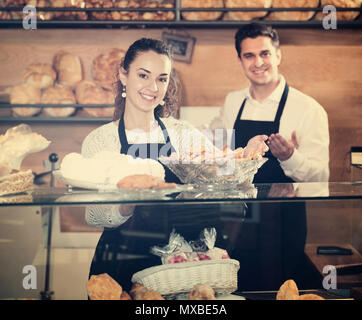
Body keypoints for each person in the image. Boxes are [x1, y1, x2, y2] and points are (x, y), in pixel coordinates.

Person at [82, 38, 268, 292]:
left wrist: (246, 156)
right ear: (123, 76)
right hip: (121, 261)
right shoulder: (101, 139)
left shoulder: (184, 134)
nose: (153, 87)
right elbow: (93, 215)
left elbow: (227, 182)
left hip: (175, 264)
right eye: (143, 75)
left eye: (161, 78)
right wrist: (128, 202)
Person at [209, 23, 330, 290]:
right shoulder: (232, 102)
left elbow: (322, 177)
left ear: (278, 55)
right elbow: (221, 153)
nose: (258, 62)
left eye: (264, 53)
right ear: (240, 60)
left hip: (283, 225)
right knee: (236, 289)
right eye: (249, 55)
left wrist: (290, 157)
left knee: (277, 290)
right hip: (236, 221)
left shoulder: (308, 109)